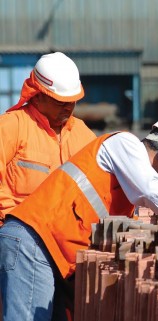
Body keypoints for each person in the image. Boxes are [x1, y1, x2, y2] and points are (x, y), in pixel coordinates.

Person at [0, 115, 158, 321]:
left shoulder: (128, 183)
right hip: (33, 241)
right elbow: (151, 192)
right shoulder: (124, 144)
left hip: (48, 252)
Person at [0, 51, 96, 225]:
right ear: (37, 96)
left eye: (73, 101)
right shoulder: (11, 127)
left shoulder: (84, 136)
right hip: (15, 234)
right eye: (61, 102)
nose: (68, 107)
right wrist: (11, 223)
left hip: (67, 236)